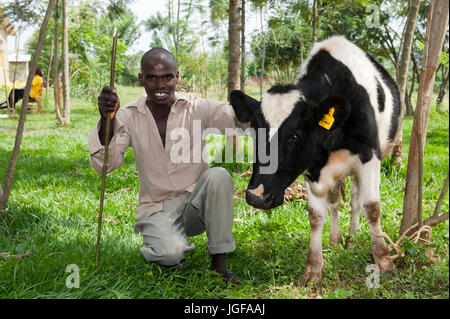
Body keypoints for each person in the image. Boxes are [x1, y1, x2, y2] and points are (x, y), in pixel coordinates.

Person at [88, 48, 247, 284]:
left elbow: (231, 117)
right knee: (169, 256)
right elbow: (105, 165)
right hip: (157, 207)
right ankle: (169, 240)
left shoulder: (197, 107)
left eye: (167, 77)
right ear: (141, 78)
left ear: (177, 77)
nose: (160, 85)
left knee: (219, 176)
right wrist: (105, 119)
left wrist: (260, 109)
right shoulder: (128, 116)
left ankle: (219, 265)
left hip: (196, 204)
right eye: (152, 77)